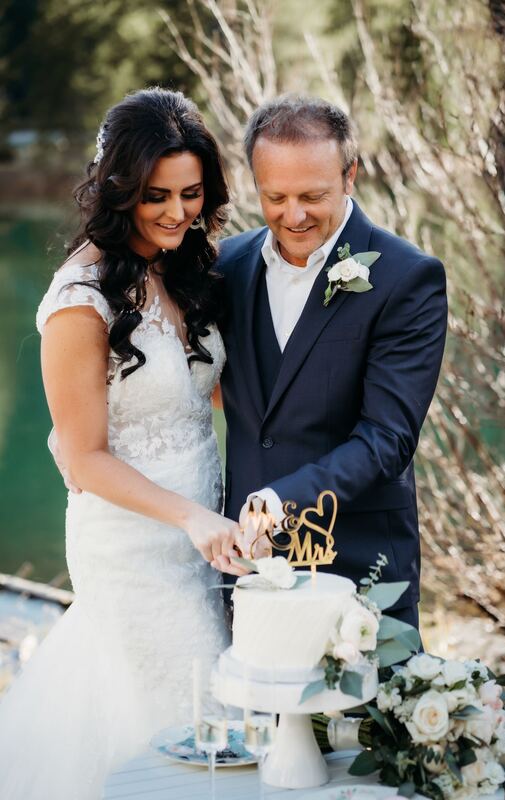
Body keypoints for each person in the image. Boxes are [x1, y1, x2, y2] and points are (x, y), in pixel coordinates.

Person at [0, 87, 247, 800]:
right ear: (117, 191)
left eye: (191, 194)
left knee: (209, 716)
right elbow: (82, 458)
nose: (176, 212)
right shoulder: (79, 300)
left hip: (206, 537)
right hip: (134, 546)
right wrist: (191, 518)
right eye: (155, 197)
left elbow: (214, 390)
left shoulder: (184, 267)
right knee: (174, 729)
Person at [213, 96, 448, 629]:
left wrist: (281, 501)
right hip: (247, 563)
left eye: (312, 196)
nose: (293, 216)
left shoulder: (407, 278)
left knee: (363, 716)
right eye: (275, 197)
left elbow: (387, 438)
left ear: (350, 175)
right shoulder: (226, 265)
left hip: (360, 564)